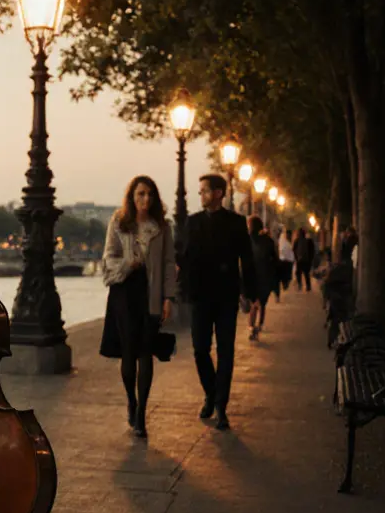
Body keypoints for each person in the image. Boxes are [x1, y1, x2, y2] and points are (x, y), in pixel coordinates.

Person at [99, 176, 176, 438]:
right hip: (124, 291)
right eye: (141, 194)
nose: (145, 199)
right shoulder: (119, 222)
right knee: (129, 353)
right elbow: (108, 256)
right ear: (132, 196)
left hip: (150, 292)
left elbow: (168, 264)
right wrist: (127, 264)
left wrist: (169, 298)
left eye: (150, 195)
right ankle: (131, 400)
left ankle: (142, 413)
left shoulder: (163, 227)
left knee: (146, 351)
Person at [180, 174, 258, 431]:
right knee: (200, 349)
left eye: (204, 191)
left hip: (226, 297)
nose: (200, 195)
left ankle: (221, 407)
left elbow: (246, 259)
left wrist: (250, 293)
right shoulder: (192, 223)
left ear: (218, 194)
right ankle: (211, 393)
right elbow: (184, 257)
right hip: (200, 297)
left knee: (226, 352)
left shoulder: (236, 223)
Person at [246, 216, 280, 341]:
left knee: (256, 304)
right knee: (259, 303)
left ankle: (253, 327)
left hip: (257, 277)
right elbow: (275, 260)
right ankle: (256, 326)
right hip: (264, 277)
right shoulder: (267, 241)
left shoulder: (249, 240)